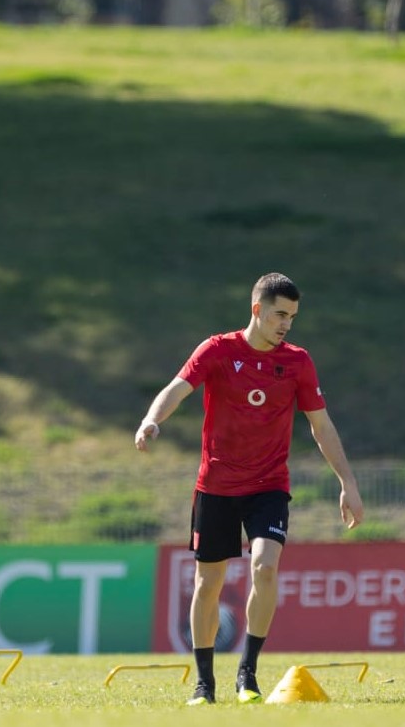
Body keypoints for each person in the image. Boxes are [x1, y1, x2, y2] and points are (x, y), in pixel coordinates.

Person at [134, 272, 365, 706]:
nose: (286, 325)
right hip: (217, 485)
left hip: (269, 486)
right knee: (208, 582)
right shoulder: (218, 350)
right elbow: (177, 388)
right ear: (257, 309)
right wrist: (152, 420)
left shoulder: (297, 361)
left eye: (293, 318)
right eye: (280, 315)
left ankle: (248, 673)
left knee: (265, 567)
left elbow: (321, 426)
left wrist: (347, 483)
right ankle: (205, 684)